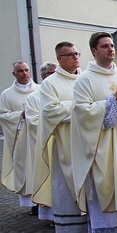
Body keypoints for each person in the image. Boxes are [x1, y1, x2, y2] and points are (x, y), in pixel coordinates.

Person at [71, 32, 117, 233]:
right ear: (94, 51)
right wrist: (113, 101)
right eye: (105, 46)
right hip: (100, 145)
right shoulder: (84, 80)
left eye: (112, 45)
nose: (111, 49)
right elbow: (82, 113)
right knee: (104, 186)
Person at [34, 42, 89, 233]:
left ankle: (93, 226)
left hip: (88, 140)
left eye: (76, 53)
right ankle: (73, 230)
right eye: (69, 55)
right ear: (59, 59)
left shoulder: (85, 78)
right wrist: (81, 107)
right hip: (66, 142)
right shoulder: (51, 83)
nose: (75, 57)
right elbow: (50, 111)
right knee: (67, 185)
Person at [0, 61, 40, 215]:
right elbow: (3, 115)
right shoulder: (6, 94)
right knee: (25, 169)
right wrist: (20, 115)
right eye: (20, 71)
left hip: (37, 136)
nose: (24, 73)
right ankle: (32, 202)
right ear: (14, 74)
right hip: (20, 140)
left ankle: (43, 202)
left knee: (39, 167)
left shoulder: (40, 90)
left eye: (26, 70)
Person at [24, 61, 56, 222]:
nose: (54, 76)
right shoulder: (34, 97)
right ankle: (50, 215)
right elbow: (33, 121)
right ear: (44, 77)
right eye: (50, 73)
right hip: (46, 142)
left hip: (62, 142)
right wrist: (54, 122)